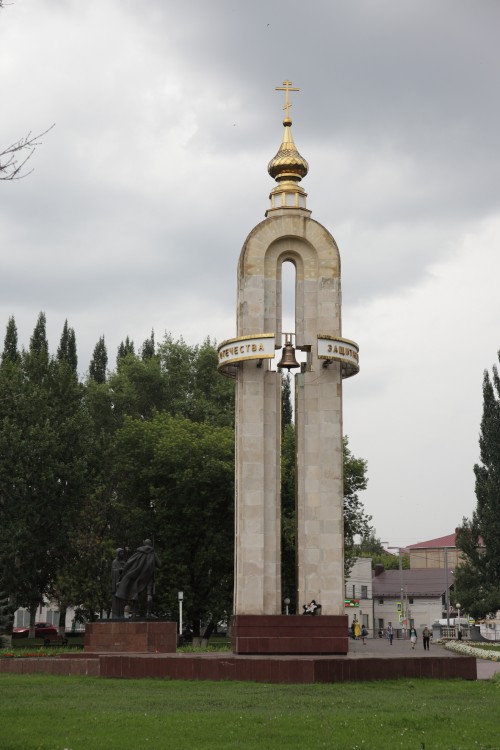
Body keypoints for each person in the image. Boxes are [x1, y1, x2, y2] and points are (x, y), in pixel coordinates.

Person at [115, 539, 161, 616]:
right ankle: (148, 613)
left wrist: (124, 572)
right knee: (149, 594)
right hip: (149, 577)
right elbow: (160, 565)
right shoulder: (153, 553)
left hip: (139, 576)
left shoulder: (139, 552)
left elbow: (129, 562)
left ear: (144, 544)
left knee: (136, 593)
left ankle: (134, 613)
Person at [111, 548, 125, 619]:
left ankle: (121, 614)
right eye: (121, 552)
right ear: (118, 553)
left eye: (123, 552)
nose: (122, 554)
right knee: (116, 601)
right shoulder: (114, 562)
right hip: (116, 585)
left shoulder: (123, 562)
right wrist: (120, 570)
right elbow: (113, 571)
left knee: (122, 601)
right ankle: (115, 615)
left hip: (122, 584)